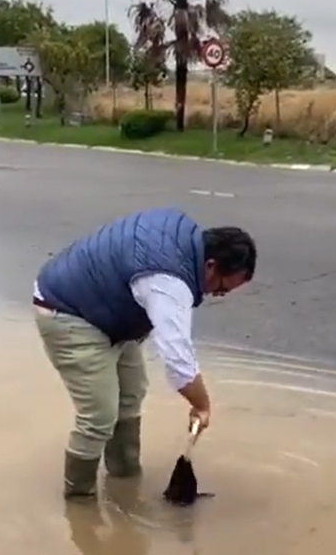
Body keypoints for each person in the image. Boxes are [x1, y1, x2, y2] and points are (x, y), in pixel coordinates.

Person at [32, 208, 257, 498]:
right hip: (65, 309)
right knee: (99, 415)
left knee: (131, 394)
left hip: (109, 313)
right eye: (222, 288)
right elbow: (178, 361)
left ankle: (124, 478)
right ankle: (79, 502)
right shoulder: (169, 281)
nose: (218, 295)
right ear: (211, 265)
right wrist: (202, 405)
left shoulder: (184, 237)